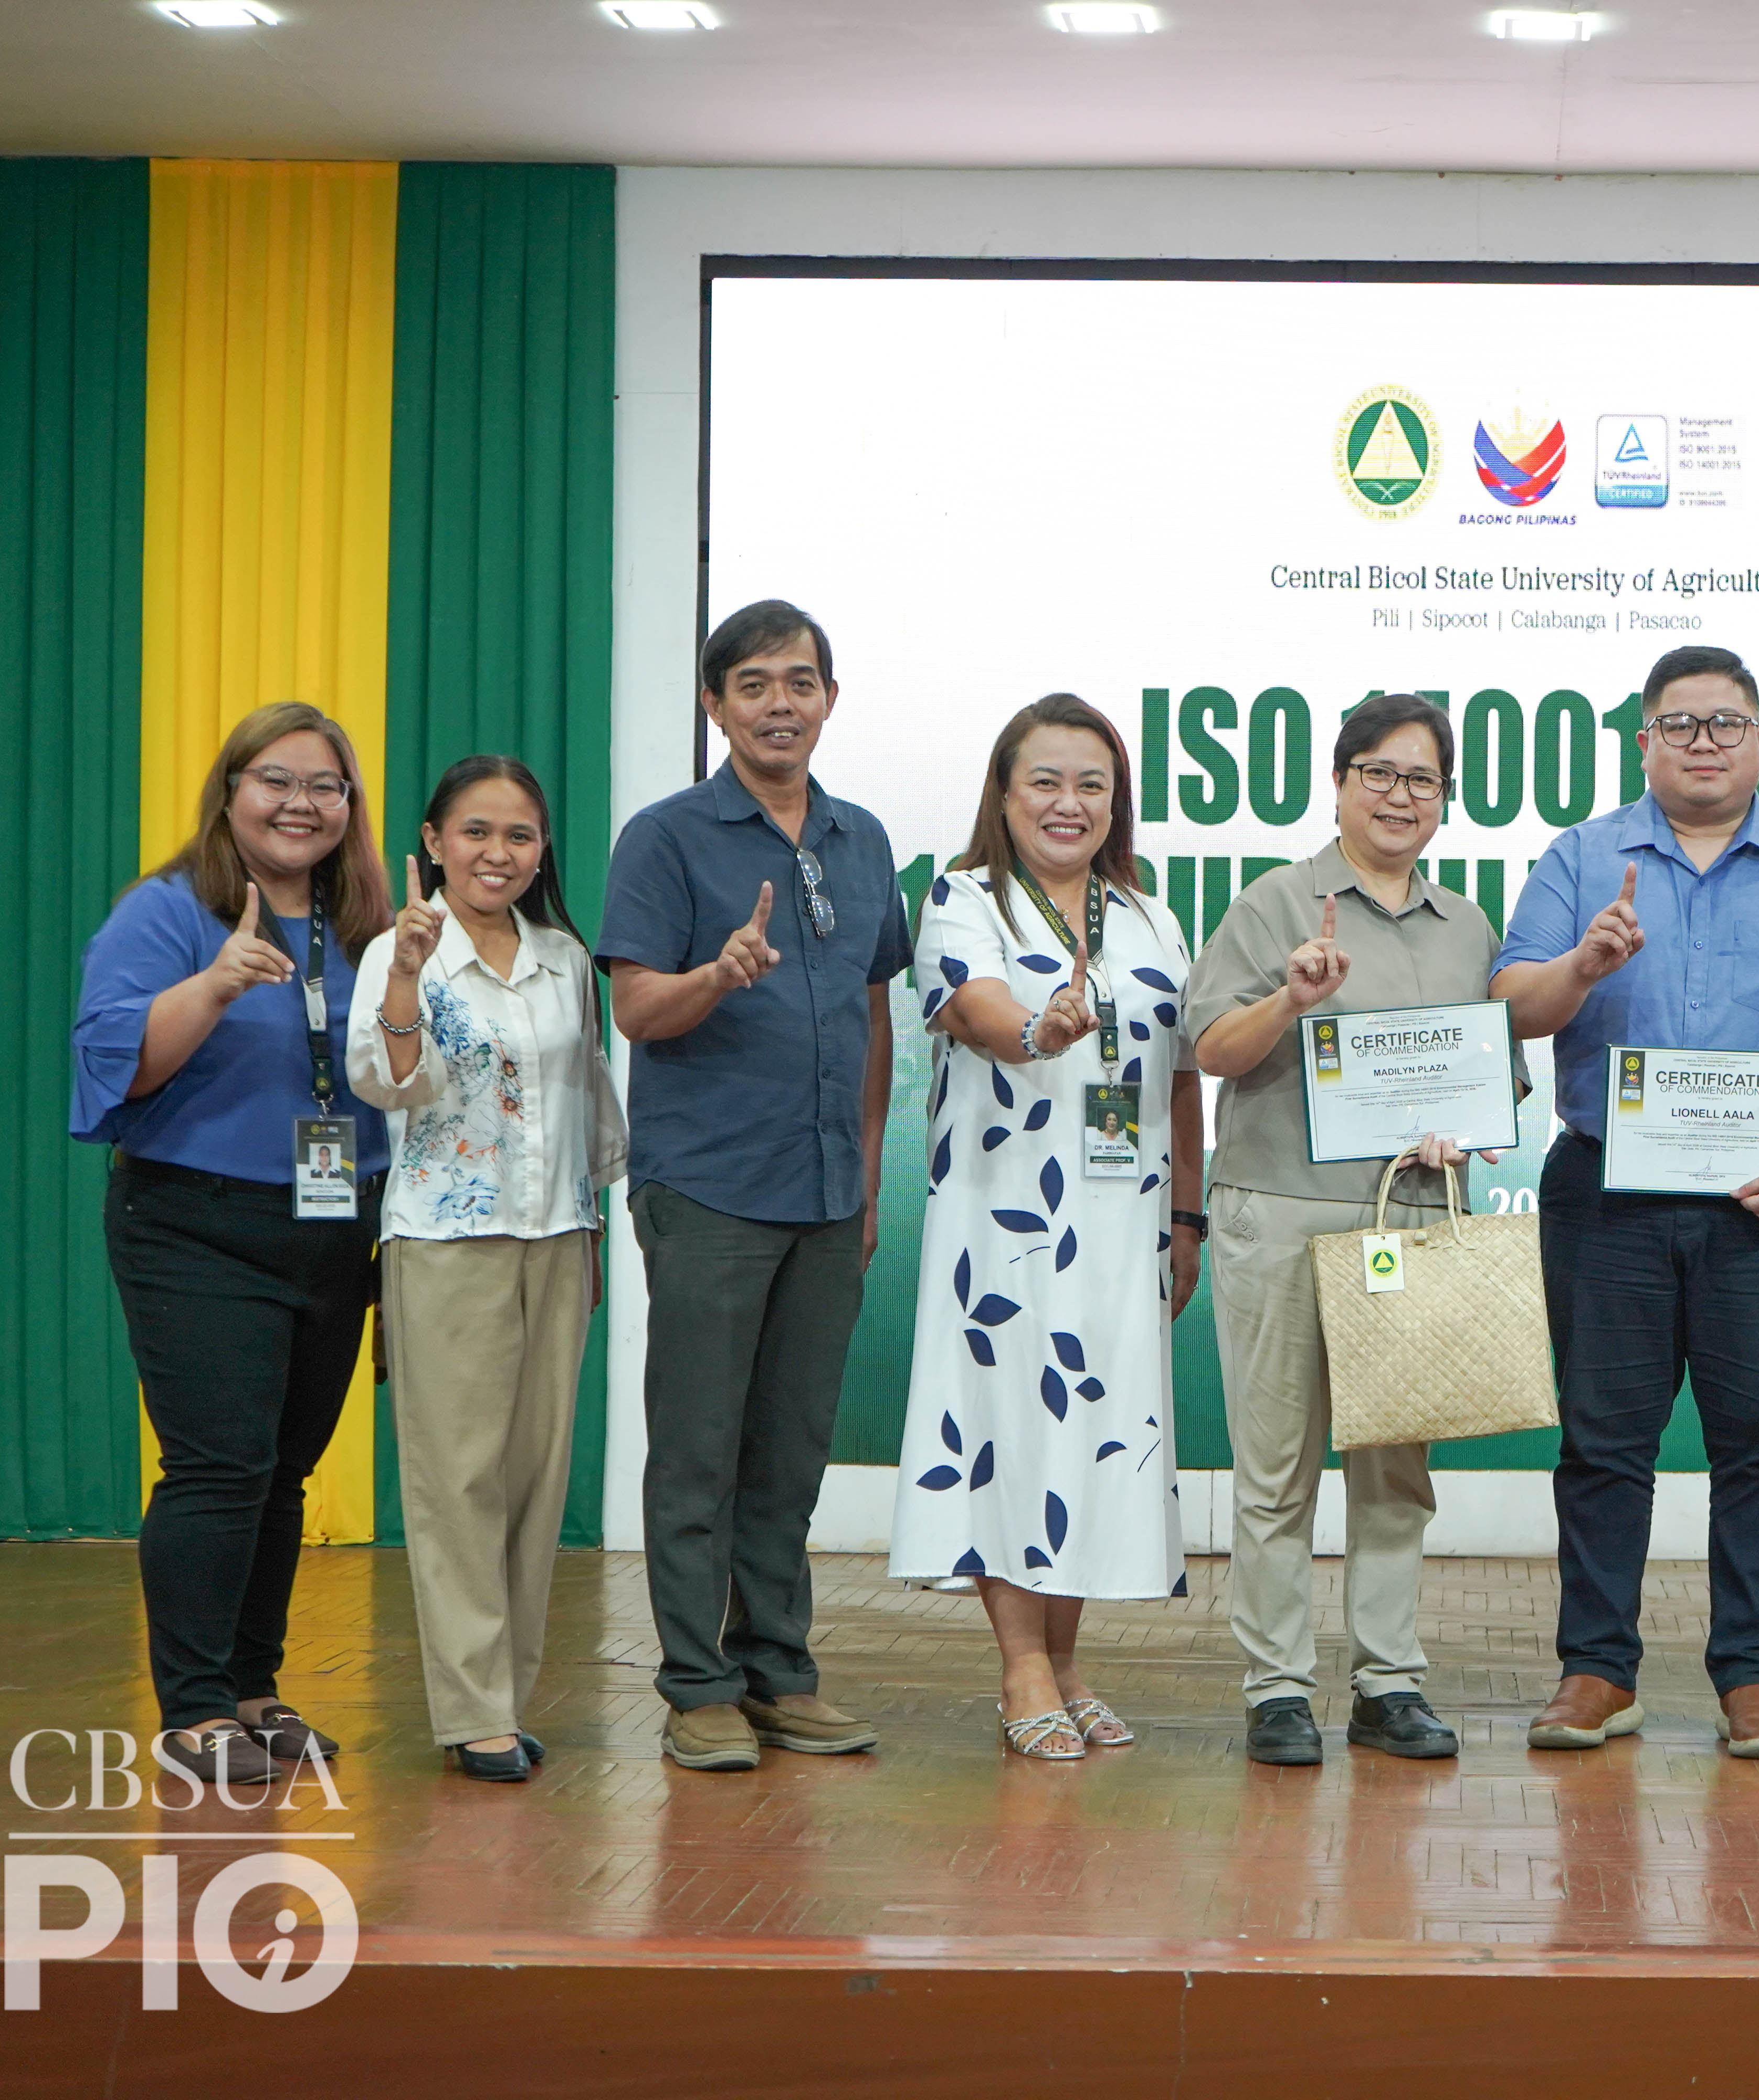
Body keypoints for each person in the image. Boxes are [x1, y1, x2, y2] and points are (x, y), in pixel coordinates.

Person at [1493, 644, 1759, 1760]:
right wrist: (1584, 965)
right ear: (1644, 742)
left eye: (1726, 723)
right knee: (1602, 1445)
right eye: (1679, 724)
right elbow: (1514, 1005)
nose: (1703, 742)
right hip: (1606, 1195)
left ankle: (1755, 1677)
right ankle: (1596, 1670)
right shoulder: (1582, 856)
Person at [599, 600, 913, 1773]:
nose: (781, 704)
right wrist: (718, 975)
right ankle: (698, 1687)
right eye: (755, 685)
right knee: (697, 1450)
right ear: (715, 703)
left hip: (829, 1191)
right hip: (711, 1189)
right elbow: (637, 1010)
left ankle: (779, 1670)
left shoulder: (860, 838)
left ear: (830, 698)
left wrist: (867, 1173)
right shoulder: (667, 838)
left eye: (801, 682)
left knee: (790, 1453)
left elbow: (875, 1014)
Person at [1186, 691, 1516, 1766]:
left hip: (1408, 1221)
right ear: (1338, 781)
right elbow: (1211, 1049)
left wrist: (1468, 1131)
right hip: (1281, 1211)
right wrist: (1290, 999)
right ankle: (1278, 1689)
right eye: (1379, 772)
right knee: (1276, 1468)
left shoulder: (1467, 925)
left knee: (1394, 1468)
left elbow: (1491, 1075)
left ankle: (1388, 1683)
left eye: (1422, 779)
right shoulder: (1276, 903)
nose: (1399, 796)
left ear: (1446, 799)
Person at [71, 702, 394, 1787]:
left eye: (326, 786)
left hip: (335, 1224)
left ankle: (255, 1688)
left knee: (284, 1473)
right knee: (218, 1468)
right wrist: (214, 982)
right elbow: (122, 1064)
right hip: (195, 1223)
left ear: (350, 807)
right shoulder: (167, 911)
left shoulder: (363, 924)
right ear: (231, 791)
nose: (302, 804)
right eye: (277, 781)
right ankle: (196, 1707)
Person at [889, 694, 1203, 1760]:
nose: (1070, 804)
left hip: (1126, 1223)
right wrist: (1038, 1030)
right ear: (1004, 792)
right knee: (1010, 1429)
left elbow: (1183, 1076)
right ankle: (1022, 1664)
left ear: (1116, 801)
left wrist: (1189, 1214)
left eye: (1092, 785)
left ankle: (1068, 1663)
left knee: (1092, 1433)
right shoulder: (963, 897)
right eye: (1047, 782)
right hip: (1005, 1217)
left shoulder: (1151, 916)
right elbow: (974, 1010)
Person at [346, 756, 625, 1783]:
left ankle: (506, 1694)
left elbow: (588, 1095)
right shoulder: (399, 952)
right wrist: (408, 977)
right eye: (475, 832)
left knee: (535, 1480)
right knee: (458, 1480)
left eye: (518, 835)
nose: (496, 853)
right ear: (432, 841)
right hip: (446, 1244)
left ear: (542, 850)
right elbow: (388, 1083)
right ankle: (472, 1711)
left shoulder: (564, 957)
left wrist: (593, 1227)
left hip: (557, 1238)